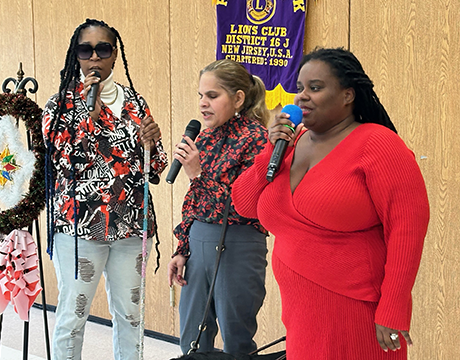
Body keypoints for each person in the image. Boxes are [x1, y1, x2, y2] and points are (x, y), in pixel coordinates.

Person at [231, 47, 430, 359]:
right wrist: (271, 150)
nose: (302, 97)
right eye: (299, 89)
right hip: (301, 315)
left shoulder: (378, 143)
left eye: (316, 88)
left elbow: (407, 230)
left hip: (359, 309)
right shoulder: (291, 143)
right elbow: (244, 204)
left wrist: (394, 308)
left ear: (348, 95)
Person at [42, 19, 168, 360]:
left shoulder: (135, 103)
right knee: (73, 316)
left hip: (131, 227)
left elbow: (154, 170)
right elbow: (61, 167)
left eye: (103, 49)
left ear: (114, 55)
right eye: (86, 50)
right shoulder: (59, 106)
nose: (94, 58)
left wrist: (152, 144)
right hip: (80, 229)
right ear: (76, 56)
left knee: (131, 316)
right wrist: (89, 118)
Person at [167, 59, 270, 355]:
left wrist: (199, 174)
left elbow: (243, 205)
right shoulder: (206, 136)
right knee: (192, 337)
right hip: (199, 241)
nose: (203, 104)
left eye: (212, 96)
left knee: (236, 335)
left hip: (238, 243)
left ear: (238, 98)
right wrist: (182, 247)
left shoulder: (257, 140)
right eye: (201, 95)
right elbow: (195, 199)